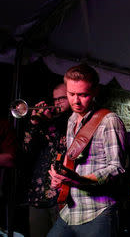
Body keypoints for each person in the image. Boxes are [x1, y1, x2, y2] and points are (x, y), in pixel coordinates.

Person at [47, 64, 126, 237]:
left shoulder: (109, 121)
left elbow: (117, 168)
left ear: (95, 91)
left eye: (83, 95)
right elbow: (72, 162)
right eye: (71, 94)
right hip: (70, 210)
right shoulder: (71, 120)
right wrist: (60, 178)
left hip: (98, 211)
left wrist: (81, 179)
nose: (75, 101)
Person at [22, 83, 71, 237]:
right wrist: (34, 124)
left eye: (61, 98)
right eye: (55, 99)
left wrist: (49, 123)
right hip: (38, 194)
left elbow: (63, 146)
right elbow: (25, 150)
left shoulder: (72, 122)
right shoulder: (44, 124)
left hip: (62, 197)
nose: (57, 103)